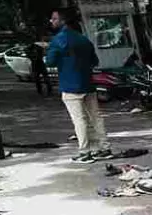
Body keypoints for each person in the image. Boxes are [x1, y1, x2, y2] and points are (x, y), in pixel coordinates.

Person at [46, 8, 110, 163]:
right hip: (88, 84)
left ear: (62, 21)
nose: (51, 21)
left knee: (79, 120)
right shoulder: (83, 39)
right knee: (96, 117)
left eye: (54, 18)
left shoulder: (58, 40)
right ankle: (105, 148)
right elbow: (95, 61)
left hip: (70, 86)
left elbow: (50, 62)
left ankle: (85, 152)